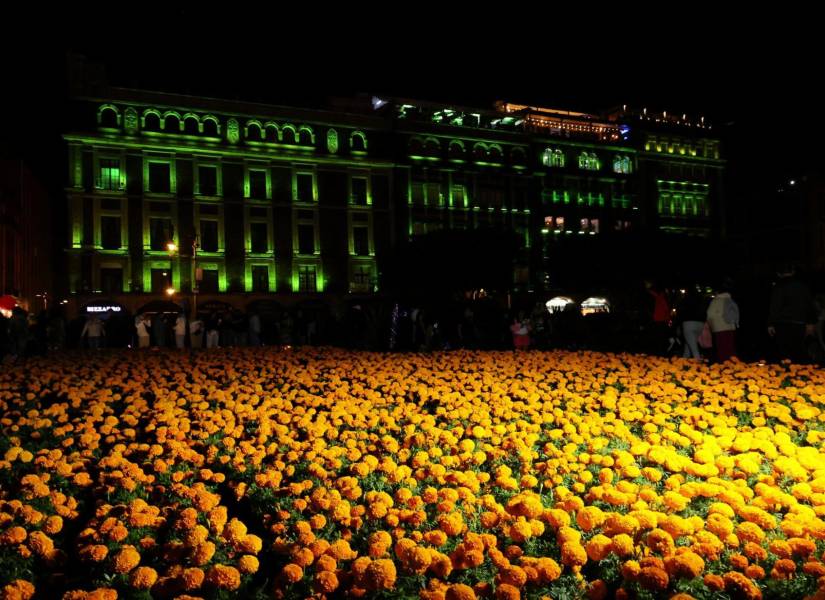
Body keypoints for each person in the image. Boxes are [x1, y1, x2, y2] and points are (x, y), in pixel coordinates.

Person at [768, 264, 818, 363]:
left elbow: (774, 306)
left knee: (784, 353)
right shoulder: (802, 286)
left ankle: (786, 374)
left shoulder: (778, 287)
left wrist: (770, 323)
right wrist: (811, 323)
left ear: (778, 274)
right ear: (793, 272)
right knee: (798, 351)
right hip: (799, 323)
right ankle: (800, 375)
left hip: (782, 324)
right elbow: (809, 305)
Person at [706, 279, 739, 362]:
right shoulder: (730, 299)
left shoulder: (716, 301)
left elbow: (710, 315)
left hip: (719, 327)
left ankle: (724, 366)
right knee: (730, 347)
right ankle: (735, 366)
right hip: (731, 326)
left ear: (717, 292)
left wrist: (711, 325)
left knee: (722, 349)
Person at [678, 286, 708, 359]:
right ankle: (684, 361)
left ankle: (698, 363)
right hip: (700, 324)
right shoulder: (701, 299)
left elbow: (681, 312)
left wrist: (678, 325)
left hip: (688, 324)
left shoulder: (685, 299)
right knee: (689, 344)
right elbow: (704, 311)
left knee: (693, 347)